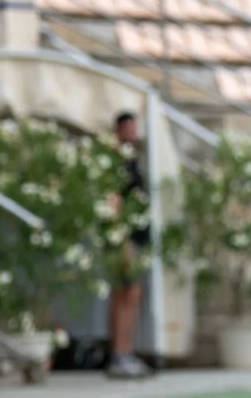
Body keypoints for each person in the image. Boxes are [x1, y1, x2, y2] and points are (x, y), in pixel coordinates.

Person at [106, 112, 152, 379]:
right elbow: (115, 200)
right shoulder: (118, 162)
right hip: (125, 239)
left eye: (134, 129)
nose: (132, 134)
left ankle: (123, 352)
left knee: (127, 294)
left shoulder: (134, 160)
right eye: (128, 130)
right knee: (128, 294)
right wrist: (123, 240)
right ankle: (120, 354)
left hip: (136, 237)